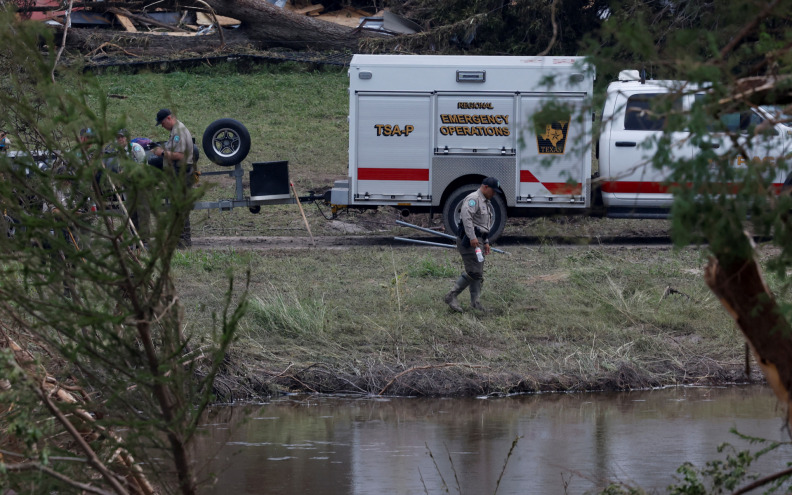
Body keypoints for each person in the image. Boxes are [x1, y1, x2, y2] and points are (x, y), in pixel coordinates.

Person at [444, 176, 502, 312]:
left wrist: (486, 241)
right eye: (493, 191)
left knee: (478, 272)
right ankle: (451, 295)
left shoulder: (485, 201)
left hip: (479, 239)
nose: (494, 194)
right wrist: (472, 237)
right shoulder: (473, 199)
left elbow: (482, 224)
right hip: (469, 240)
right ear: (485, 187)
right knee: (474, 271)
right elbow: (466, 218)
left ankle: (475, 303)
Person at [152, 108, 196, 248]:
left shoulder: (178, 132)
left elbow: (180, 155)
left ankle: (183, 241)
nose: (163, 126)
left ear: (169, 119)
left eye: (163, 123)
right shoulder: (175, 131)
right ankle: (180, 239)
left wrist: (162, 153)